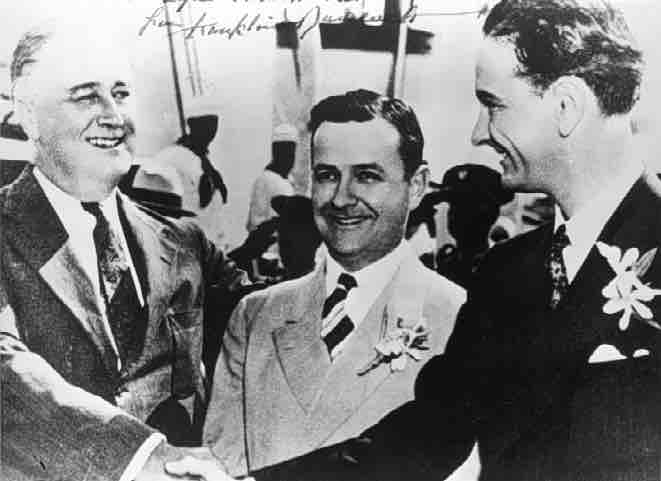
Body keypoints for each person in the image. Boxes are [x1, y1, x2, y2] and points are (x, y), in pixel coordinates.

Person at [227, 1, 656, 480]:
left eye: (492, 105)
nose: (478, 133)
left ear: (565, 106)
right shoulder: (506, 273)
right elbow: (430, 433)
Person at [0, 17, 241, 481]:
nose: (114, 116)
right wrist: (145, 458)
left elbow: (271, 318)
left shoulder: (183, 242)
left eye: (122, 93)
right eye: (87, 95)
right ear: (30, 114)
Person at [200, 90, 466, 476]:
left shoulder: (460, 317)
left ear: (417, 185)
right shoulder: (256, 315)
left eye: (367, 176)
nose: (341, 198)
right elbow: (221, 465)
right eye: (327, 176)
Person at [436, 164, 513, 287]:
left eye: (466, 208)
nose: (454, 215)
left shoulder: (499, 270)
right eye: (453, 205)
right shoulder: (446, 262)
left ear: (489, 215)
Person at [246, 124, 297, 233]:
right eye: (286, 153)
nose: (290, 159)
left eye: (292, 154)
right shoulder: (270, 181)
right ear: (276, 153)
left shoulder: (284, 181)